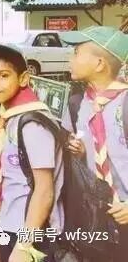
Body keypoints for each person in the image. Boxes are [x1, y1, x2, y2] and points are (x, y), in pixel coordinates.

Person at [0, 42, 64, 262]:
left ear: (23, 79)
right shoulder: (11, 115)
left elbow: (44, 190)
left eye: (3, 75)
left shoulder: (32, 123)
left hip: (32, 229)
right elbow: (1, 158)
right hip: (11, 222)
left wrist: (24, 245)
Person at [61, 26, 128, 261]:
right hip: (94, 215)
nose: (70, 60)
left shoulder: (124, 103)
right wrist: (79, 152)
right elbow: (83, 148)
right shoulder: (77, 103)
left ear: (100, 64)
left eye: (76, 53)